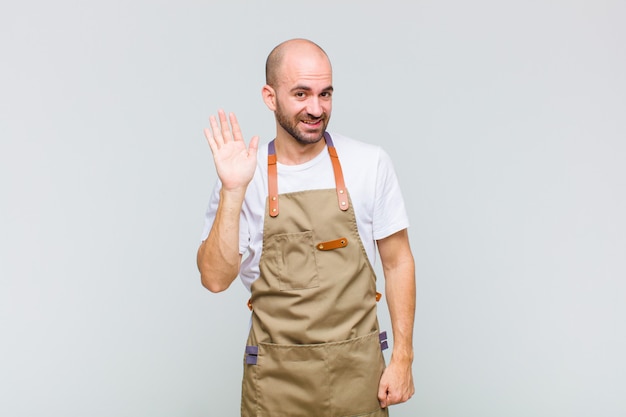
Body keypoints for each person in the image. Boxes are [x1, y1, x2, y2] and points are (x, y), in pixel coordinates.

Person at [197, 38, 415, 416]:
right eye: (301, 94)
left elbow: (398, 262)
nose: (316, 108)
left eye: (324, 94)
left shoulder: (369, 163)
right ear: (270, 96)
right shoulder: (244, 178)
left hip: (359, 378)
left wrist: (402, 358)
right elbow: (215, 279)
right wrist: (233, 190)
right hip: (276, 385)